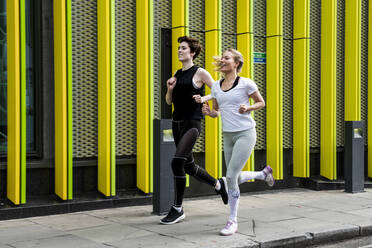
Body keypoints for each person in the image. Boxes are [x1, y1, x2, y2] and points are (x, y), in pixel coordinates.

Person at [202, 48, 275, 236]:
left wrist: (248, 108)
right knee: (232, 176)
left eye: (227, 58)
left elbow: (261, 102)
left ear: (236, 63)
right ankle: (262, 174)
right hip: (228, 135)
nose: (223, 60)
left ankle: (232, 221)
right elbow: (218, 111)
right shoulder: (216, 87)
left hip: (245, 133)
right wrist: (210, 113)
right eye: (222, 58)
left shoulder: (246, 83)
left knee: (231, 176)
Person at [160, 36, 228, 225]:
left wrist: (208, 105)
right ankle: (218, 184)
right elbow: (169, 101)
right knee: (188, 166)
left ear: (192, 52)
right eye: (179, 48)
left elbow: (218, 90)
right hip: (177, 123)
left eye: (183, 48)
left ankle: (177, 209)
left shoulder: (200, 72)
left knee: (176, 163)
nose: (179, 50)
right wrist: (170, 88)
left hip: (192, 124)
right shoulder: (177, 73)